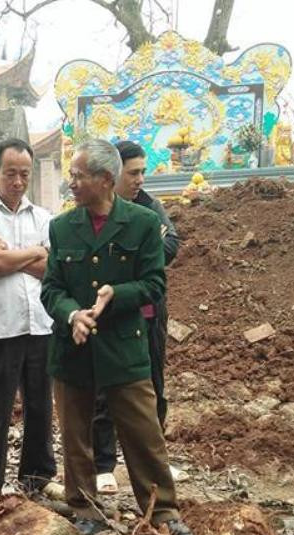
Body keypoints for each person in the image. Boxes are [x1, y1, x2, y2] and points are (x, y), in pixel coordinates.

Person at [41, 138, 192, 535]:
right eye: (71, 175)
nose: (71, 183)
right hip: (72, 348)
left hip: (124, 346)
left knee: (143, 431)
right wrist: (72, 314)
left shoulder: (142, 223)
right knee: (77, 435)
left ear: (105, 180)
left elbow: (154, 282)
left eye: (78, 175)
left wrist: (114, 294)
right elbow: (52, 288)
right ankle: (85, 509)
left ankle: (161, 510)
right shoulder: (61, 227)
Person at [0, 138, 59, 503]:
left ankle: (37, 476)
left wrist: (15, 254)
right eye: (10, 173)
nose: (18, 182)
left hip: (40, 324)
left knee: (40, 406)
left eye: (24, 174)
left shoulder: (43, 217)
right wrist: (35, 252)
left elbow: (52, 269)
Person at [92, 140, 181, 493]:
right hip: (110, 315)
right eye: (133, 173)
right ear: (112, 176)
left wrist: (132, 252)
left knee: (153, 386)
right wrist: (140, 251)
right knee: (105, 390)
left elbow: (171, 246)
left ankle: (154, 462)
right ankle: (103, 464)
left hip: (149, 315)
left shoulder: (150, 206)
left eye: (143, 172)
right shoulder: (96, 211)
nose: (140, 179)